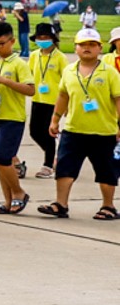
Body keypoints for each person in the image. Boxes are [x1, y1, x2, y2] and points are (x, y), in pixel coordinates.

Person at [39, 27, 120, 220]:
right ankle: (60, 204)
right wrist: (55, 119)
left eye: (92, 45)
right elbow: (62, 95)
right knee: (65, 167)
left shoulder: (109, 73)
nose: (87, 48)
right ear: (75, 48)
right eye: (83, 45)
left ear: (100, 48)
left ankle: (108, 206)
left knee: (106, 170)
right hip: (73, 129)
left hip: (104, 131)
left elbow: (118, 99)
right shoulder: (69, 70)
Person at [0, 19, 35, 214]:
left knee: (2, 157)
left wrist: (4, 81)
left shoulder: (19, 63)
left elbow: (30, 90)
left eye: (0, 44)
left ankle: (19, 193)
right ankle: (8, 201)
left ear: (12, 41)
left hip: (12, 118)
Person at [26, 22, 66, 178]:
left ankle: (48, 165)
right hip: (37, 98)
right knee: (34, 131)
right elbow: (28, 74)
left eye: (46, 37)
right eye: (39, 37)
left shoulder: (60, 58)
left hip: (54, 100)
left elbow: (66, 80)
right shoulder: (34, 55)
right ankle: (55, 154)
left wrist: (67, 103)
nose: (42, 40)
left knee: (48, 132)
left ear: (53, 38)